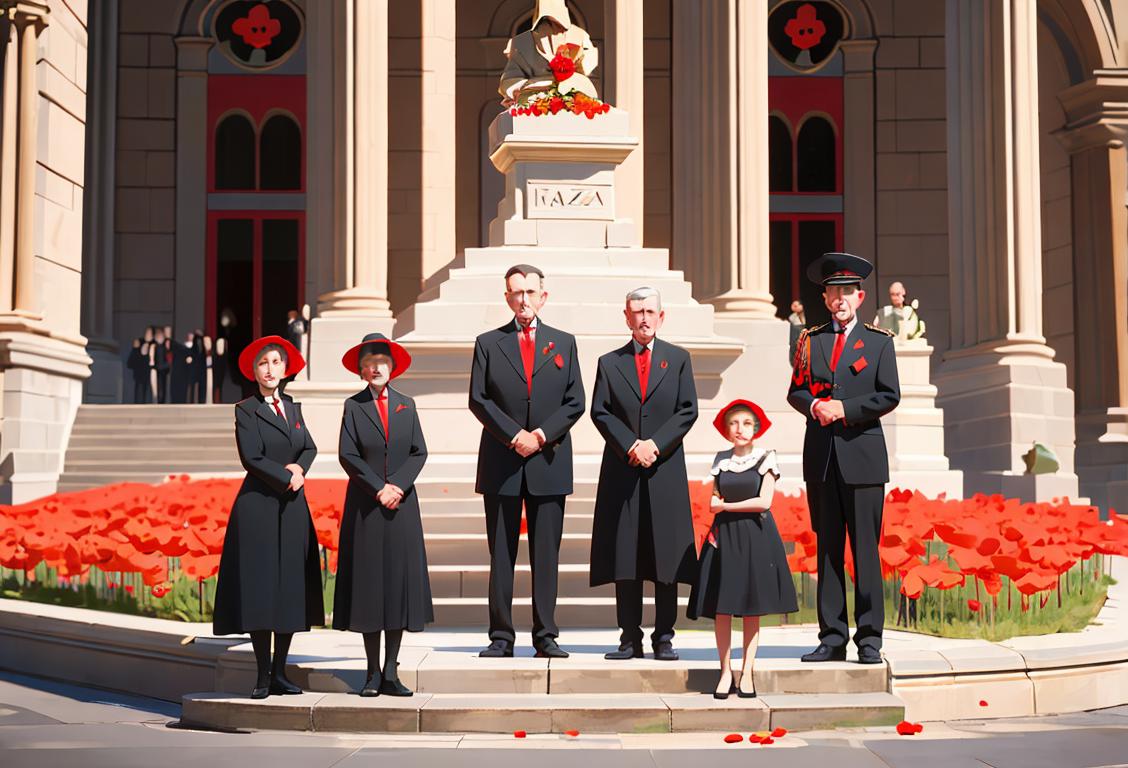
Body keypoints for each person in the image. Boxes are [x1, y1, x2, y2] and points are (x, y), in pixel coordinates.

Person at [786, 253, 900, 665]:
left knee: (865, 551)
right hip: (822, 460)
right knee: (828, 550)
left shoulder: (878, 341)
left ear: (860, 297)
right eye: (833, 292)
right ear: (825, 297)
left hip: (864, 459)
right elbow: (796, 390)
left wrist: (844, 410)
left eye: (847, 292)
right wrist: (815, 405)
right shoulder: (810, 340)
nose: (840, 299)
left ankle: (869, 639)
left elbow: (889, 395)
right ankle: (832, 637)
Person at [468, 264, 585, 658]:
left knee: (545, 555)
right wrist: (513, 435)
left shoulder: (564, 343)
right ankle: (501, 637)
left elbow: (575, 401)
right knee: (501, 554)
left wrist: (540, 436)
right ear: (506, 298)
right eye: (516, 292)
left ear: (543, 296)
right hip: (502, 462)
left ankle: (545, 634)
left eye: (530, 292)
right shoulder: (488, 343)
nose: (524, 299)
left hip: (548, 461)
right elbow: (478, 399)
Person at [590, 287, 698, 661]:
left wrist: (655, 444)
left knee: (665, 556)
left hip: (664, 469)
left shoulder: (679, 359)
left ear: (662, 316)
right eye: (637, 312)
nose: (644, 318)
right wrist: (631, 445)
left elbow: (688, 410)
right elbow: (600, 412)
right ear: (626, 316)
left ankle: (664, 636)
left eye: (650, 311)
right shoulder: (609, 362)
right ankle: (629, 637)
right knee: (626, 555)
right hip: (624, 470)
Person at [212, 335, 323, 698]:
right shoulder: (245, 410)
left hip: (291, 508)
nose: (270, 369)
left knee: (288, 589)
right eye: (264, 363)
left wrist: (300, 469)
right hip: (259, 506)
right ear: (255, 372)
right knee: (262, 590)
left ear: (285, 369)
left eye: (276, 362)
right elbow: (252, 457)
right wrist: (288, 476)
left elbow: (309, 446)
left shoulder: (293, 408)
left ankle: (280, 672)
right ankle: (262, 674)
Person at [333, 333, 432, 697]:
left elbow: (419, 452)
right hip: (367, 506)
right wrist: (378, 488)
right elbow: (348, 455)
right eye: (370, 362)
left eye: (383, 361)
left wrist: (399, 487)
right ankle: (372, 672)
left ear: (392, 368)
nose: (377, 367)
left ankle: (391, 670)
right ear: (362, 370)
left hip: (402, 507)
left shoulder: (408, 404)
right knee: (371, 589)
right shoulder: (353, 406)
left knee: (397, 589)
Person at [688, 400, 798, 699]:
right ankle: (725, 671)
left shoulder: (767, 458)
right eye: (734, 424)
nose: (740, 429)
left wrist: (726, 506)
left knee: (752, 609)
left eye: (746, 423)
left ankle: (748, 671)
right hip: (723, 537)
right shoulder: (721, 459)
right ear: (727, 430)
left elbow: (764, 502)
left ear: (756, 428)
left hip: (756, 537)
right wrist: (722, 507)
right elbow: (711, 502)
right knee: (721, 608)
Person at [499, 0, 599, 106]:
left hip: (575, 95)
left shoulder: (579, 36)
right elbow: (509, 80)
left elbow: (587, 65)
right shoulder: (521, 42)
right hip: (534, 99)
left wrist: (573, 65)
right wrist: (529, 86)